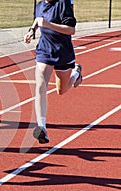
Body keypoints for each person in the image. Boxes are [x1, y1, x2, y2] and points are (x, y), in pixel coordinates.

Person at [24, 0, 82, 144]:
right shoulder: (39, 6)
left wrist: (48, 25)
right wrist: (31, 31)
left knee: (61, 90)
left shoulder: (62, 3)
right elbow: (38, 20)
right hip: (44, 50)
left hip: (63, 52)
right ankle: (41, 126)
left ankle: (76, 74)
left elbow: (71, 30)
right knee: (40, 84)